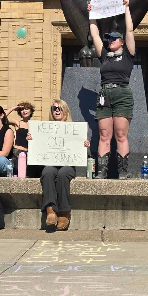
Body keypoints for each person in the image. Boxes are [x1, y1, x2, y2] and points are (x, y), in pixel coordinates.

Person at [87, 0, 136, 178]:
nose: (110, 41)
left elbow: (129, 30)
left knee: (121, 134)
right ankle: (101, 172)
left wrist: (127, 8)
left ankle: (123, 172)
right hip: (104, 93)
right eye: (109, 39)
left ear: (122, 42)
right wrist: (91, 13)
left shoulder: (129, 55)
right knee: (104, 134)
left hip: (122, 93)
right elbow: (95, 34)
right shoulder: (105, 55)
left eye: (114, 38)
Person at [36, 99, 90, 231]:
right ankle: (50, 210)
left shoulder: (75, 129)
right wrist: (33, 139)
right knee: (47, 172)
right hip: (51, 163)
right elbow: (39, 147)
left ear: (65, 111)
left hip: (68, 165)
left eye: (60, 108)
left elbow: (79, 151)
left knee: (63, 174)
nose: (57, 110)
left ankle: (64, 212)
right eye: (54, 108)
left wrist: (85, 145)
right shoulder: (44, 129)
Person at [9, 101, 35, 177]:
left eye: (26, 109)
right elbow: (1, 118)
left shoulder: (34, 125)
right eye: (22, 109)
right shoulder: (17, 123)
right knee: (17, 171)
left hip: (29, 153)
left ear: (31, 111)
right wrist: (13, 108)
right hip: (17, 151)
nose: (24, 111)